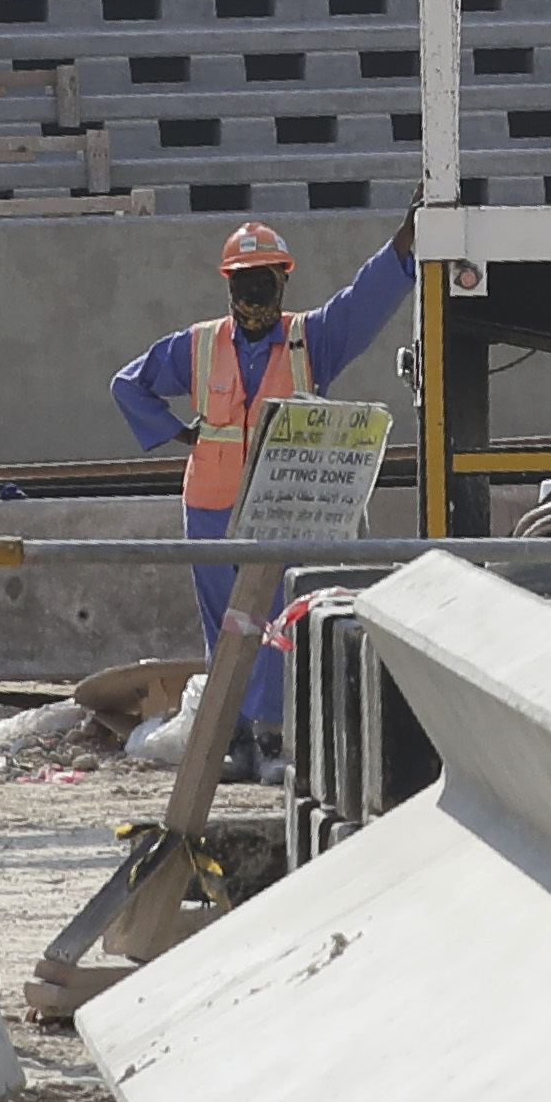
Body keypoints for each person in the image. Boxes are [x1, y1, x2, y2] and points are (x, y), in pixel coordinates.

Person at [109, 211, 416, 757]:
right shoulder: (199, 347)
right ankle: (236, 735)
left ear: (284, 279)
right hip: (209, 509)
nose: (256, 289)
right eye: (246, 278)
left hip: (282, 508)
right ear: (229, 283)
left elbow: (365, 299)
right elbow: (128, 385)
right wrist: (178, 435)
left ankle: (272, 735)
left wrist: (406, 238)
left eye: (266, 276)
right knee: (226, 628)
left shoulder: (310, 341)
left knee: (273, 623)